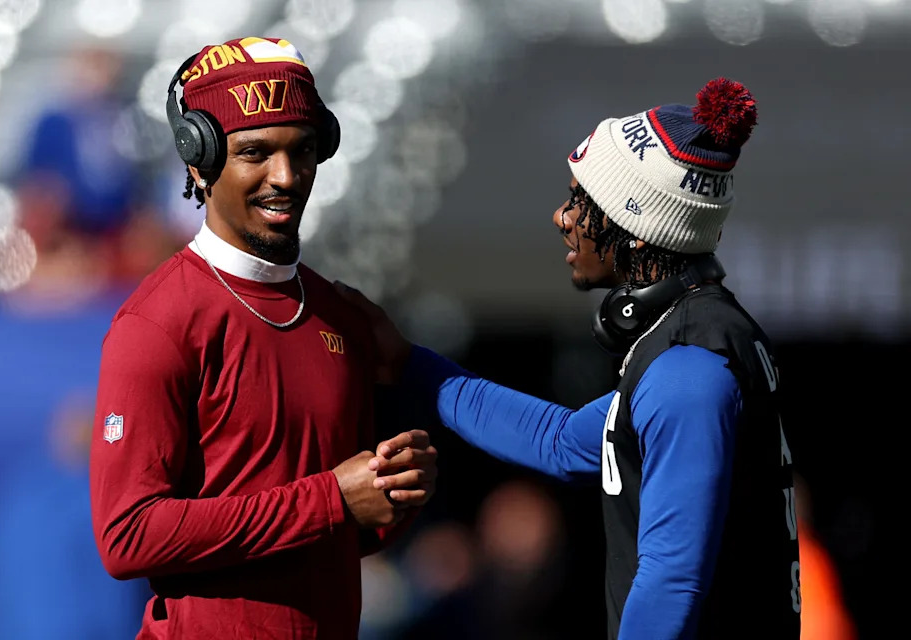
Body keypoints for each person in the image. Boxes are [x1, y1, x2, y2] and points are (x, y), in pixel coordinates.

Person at [338, 78, 801, 639]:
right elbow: (559, 440)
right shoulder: (698, 343)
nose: (563, 217)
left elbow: (672, 580)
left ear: (634, 228)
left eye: (583, 201)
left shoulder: (687, 372)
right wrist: (407, 364)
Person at [89, 36, 437, 640]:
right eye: (255, 153)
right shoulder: (155, 324)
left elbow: (332, 537)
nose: (286, 176)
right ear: (197, 162)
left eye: (302, 150)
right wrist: (332, 497)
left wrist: (392, 496)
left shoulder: (342, 317)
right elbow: (128, 537)